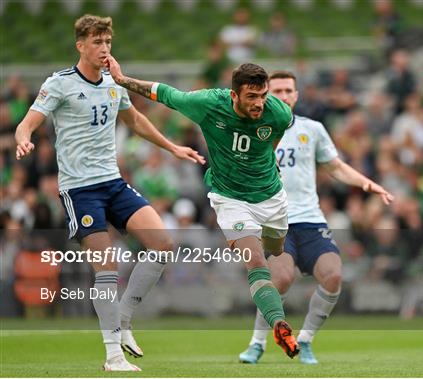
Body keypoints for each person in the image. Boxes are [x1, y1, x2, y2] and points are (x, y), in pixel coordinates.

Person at [14, 15, 205, 371]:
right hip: (80, 189)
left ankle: (125, 319)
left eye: (108, 42)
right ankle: (113, 355)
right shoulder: (59, 84)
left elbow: (134, 121)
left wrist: (172, 147)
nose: (104, 49)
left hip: (113, 182)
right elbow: (28, 123)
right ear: (81, 46)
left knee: (163, 244)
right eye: (97, 42)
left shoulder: (114, 83)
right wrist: (24, 139)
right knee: (107, 265)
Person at [104, 57, 300, 359]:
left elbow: (276, 133)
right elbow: (164, 92)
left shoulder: (278, 112)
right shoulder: (209, 104)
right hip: (230, 199)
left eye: (262, 96)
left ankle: (273, 289)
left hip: (272, 198)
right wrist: (122, 79)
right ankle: (279, 324)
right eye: (251, 97)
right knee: (256, 262)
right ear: (234, 94)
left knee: (277, 250)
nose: (259, 103)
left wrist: (269, 157)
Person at [238, 71, 394, 364]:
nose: (284, 96)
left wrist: (366, 183)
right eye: (278, 91)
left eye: (289, 91)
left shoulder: (313, 129)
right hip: (274, 221)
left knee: (334, 275)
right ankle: (257, 343)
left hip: (310, 219)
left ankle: (305, 340)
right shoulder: (253, 130)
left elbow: (335, 166)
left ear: (296, 95)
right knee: (280, 279)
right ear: (267, 96)